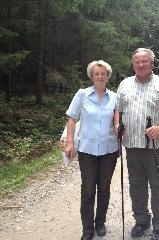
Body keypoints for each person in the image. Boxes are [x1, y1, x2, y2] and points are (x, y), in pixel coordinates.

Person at [114, 48, 159, 240]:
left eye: (144, 61)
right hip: (132, 145)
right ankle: (141, 221)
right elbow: (118, 109)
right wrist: (118, 124)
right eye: (137, 62)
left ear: (151, 63)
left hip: (156, 146)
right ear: (133, 64)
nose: (141, 65)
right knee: (136, 185)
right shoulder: (124, 84)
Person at [65, 60, 118, 240]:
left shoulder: (115, 97)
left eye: (103, 74)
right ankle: (87, 230)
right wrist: (70, 142)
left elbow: (118, 121)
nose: (100, 77)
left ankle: (100, 223)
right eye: (97, 74)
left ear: (108, 76)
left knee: (104, 188)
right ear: (91, 76)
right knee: (88, 190)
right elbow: (72, 118)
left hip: (110, 150)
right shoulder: (82, 94)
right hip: (87, 151)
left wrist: (120, 130)